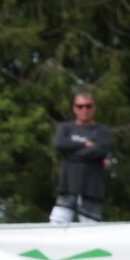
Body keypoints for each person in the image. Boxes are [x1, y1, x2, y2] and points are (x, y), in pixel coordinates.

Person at [49, 91, 113, 224]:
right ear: (74, 109)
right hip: (68, 188)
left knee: (91, 232)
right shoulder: (65, 128)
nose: (84, 110)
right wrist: (84, 144)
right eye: (80, 106)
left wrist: (71, 153)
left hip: (91, 191)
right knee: (55, 228)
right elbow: (59, 143)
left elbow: (100, 150)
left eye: (88, 106)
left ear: (94, 108)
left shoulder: (102, 131)